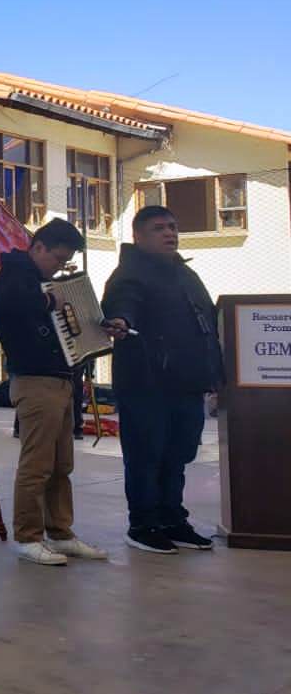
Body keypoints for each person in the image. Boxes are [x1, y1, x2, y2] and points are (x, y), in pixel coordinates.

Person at [102, 205, 224, 555]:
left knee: (177, 456)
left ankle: (172, 520)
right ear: (138, 236)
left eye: (172, 227)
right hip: (146, 385)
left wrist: (215, 374)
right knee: (146, 457)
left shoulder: (184, 274)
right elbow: (123, 304)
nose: (170, 233)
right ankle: (143, 525)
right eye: (159, 228)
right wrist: (121, 320)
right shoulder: (129, 274)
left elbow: (207, 322)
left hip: (186, 384)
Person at [0, 218, 109, 566]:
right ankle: (27, 537)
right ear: (38, 246)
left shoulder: (44, 281)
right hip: (34, 380)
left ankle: (60, 532)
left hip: (62, 379)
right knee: (37, 464)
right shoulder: (15, 274)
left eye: (65, 261)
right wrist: (47, 301)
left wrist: (100, 327)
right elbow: (12, 306)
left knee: (61, 464)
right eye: (57, 258)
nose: (59, 267)